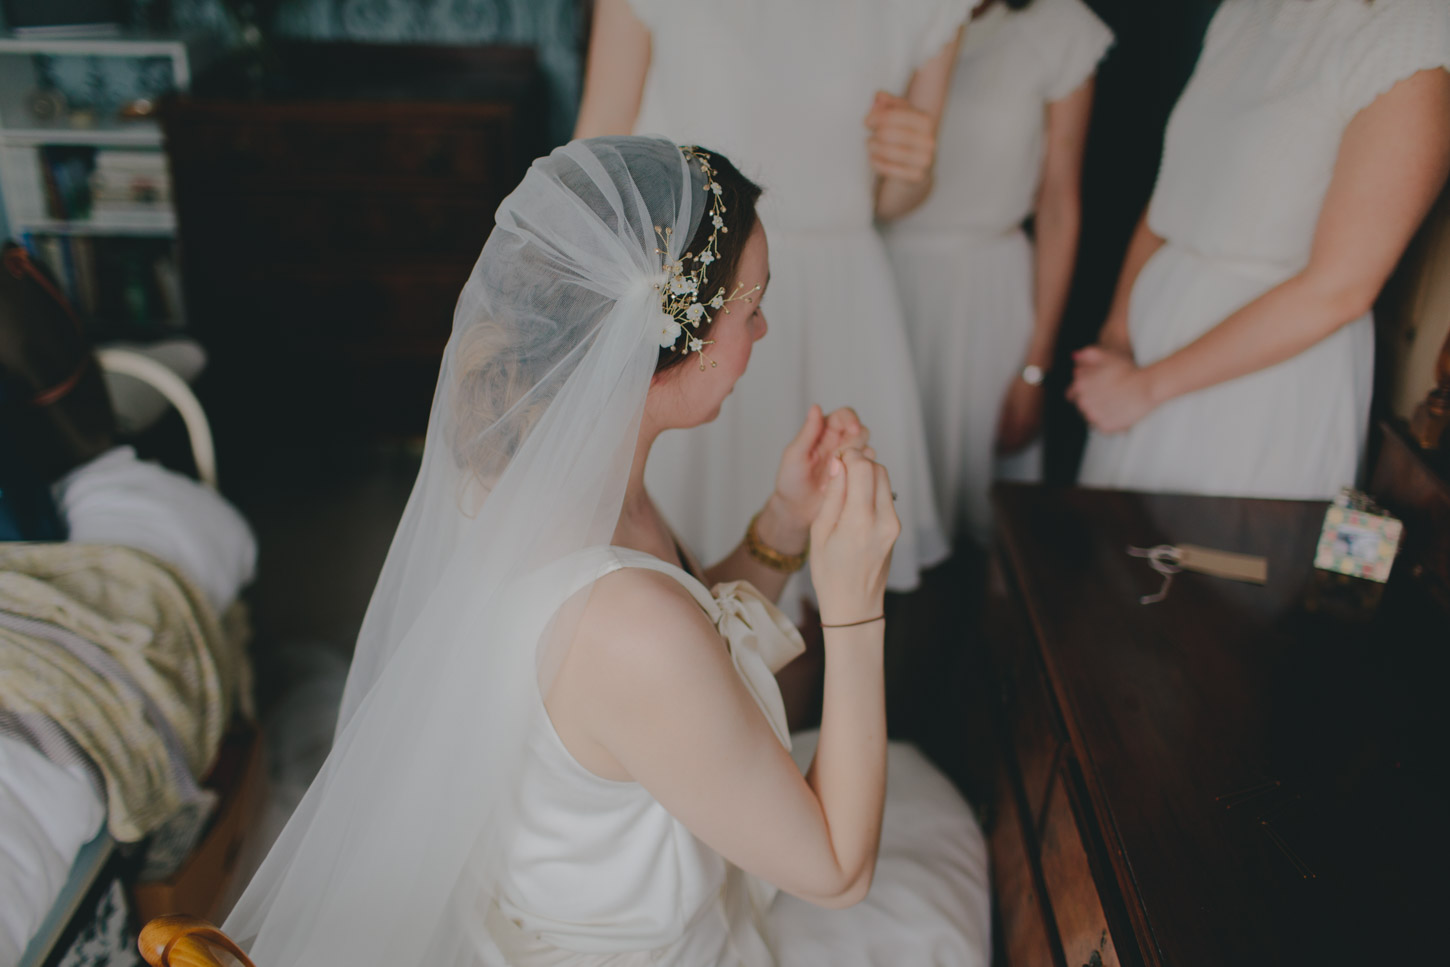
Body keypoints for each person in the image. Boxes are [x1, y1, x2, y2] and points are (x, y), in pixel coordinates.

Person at [223, 137, 989, 967]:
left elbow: (686, 649)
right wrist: (855, 603)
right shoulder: (623, 621)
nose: (763, 330)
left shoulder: (553, 473)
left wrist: (783, 525)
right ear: (671, 340)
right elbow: (837, 872)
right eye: (751, 307)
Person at [572, 0, 974, 605]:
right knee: (661, 573)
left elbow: (888, 197)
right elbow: (597, 157)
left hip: (840, 289)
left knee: (825, 566)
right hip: (694, 289)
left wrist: (914, 166)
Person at [1073, 0, 1450, 498]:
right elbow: (1171, 196)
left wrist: (1148, 387)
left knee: (1208, 558)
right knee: (1112, 552)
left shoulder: (1414, 36)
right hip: (1151, 341)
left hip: (1262, 375)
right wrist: (1117, 335)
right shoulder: (1244, 11)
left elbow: (1340, 289)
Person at [884, 0, 1112, 544]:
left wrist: (1035, 368)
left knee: (977, 512)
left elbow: (1059, 204)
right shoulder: (887, 14)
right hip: (882, 278)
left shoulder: (1060, 29)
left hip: (986, 291)